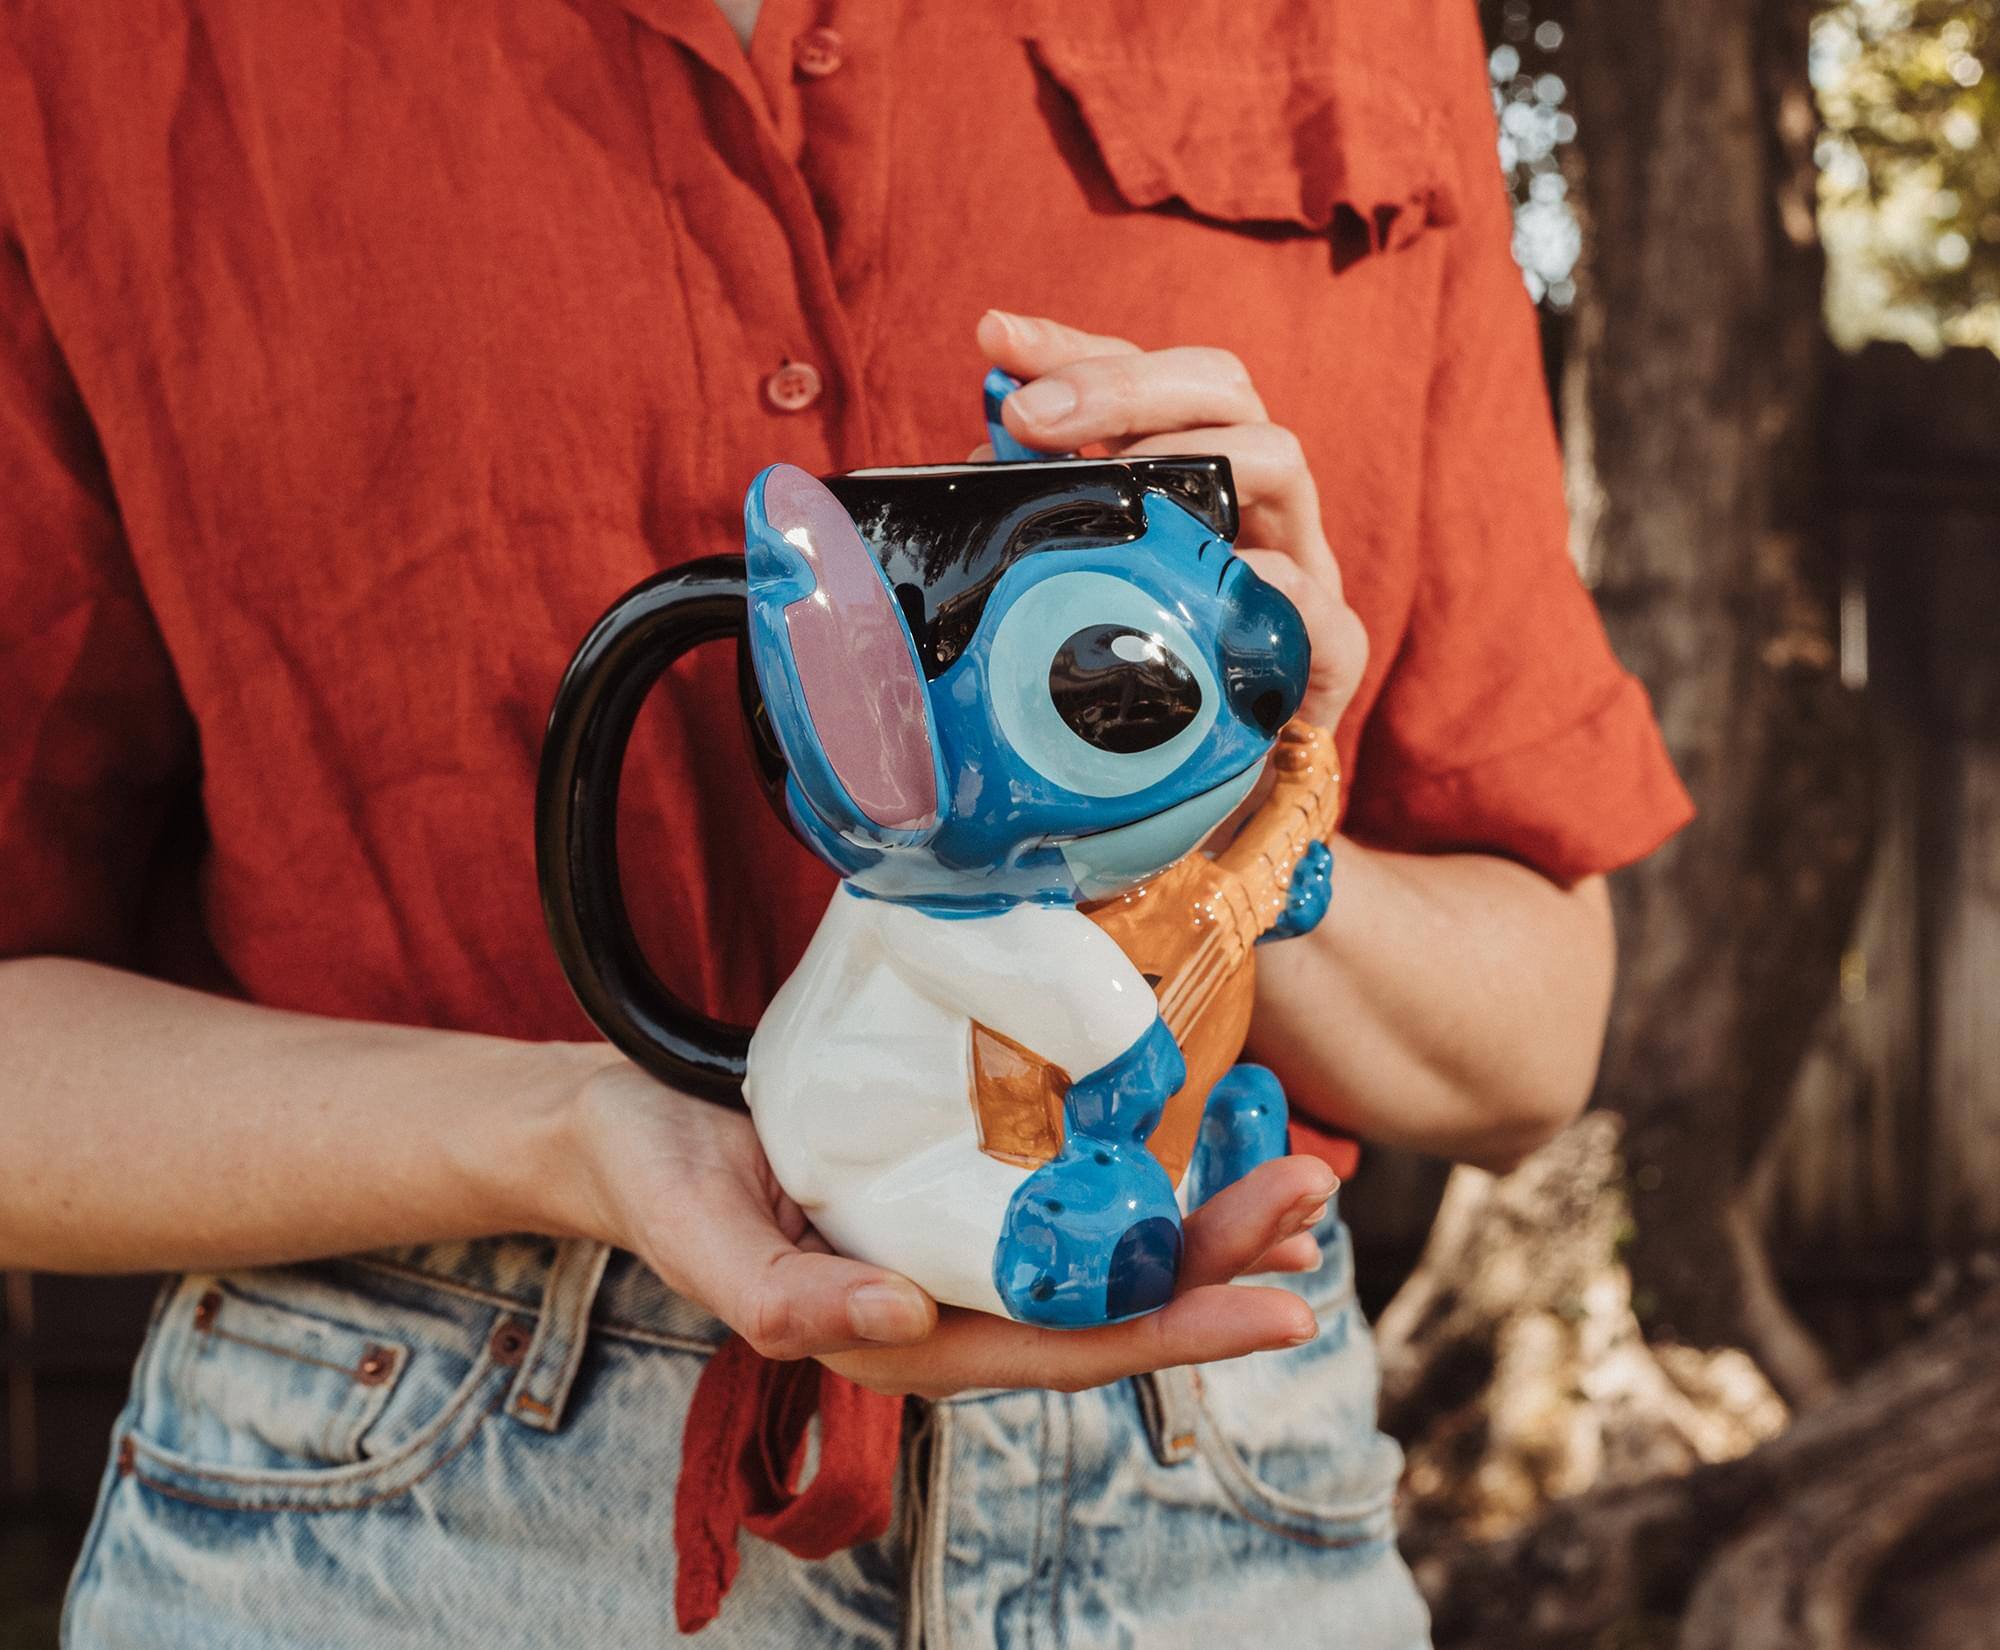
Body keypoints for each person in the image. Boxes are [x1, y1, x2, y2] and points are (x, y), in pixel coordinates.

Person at [0, 2, 1691, 1646]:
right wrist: (557, 1127)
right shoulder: (97, 47)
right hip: (411, 1501)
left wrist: (1209, 772)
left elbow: (1529, 1044)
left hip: (1213, 1463)